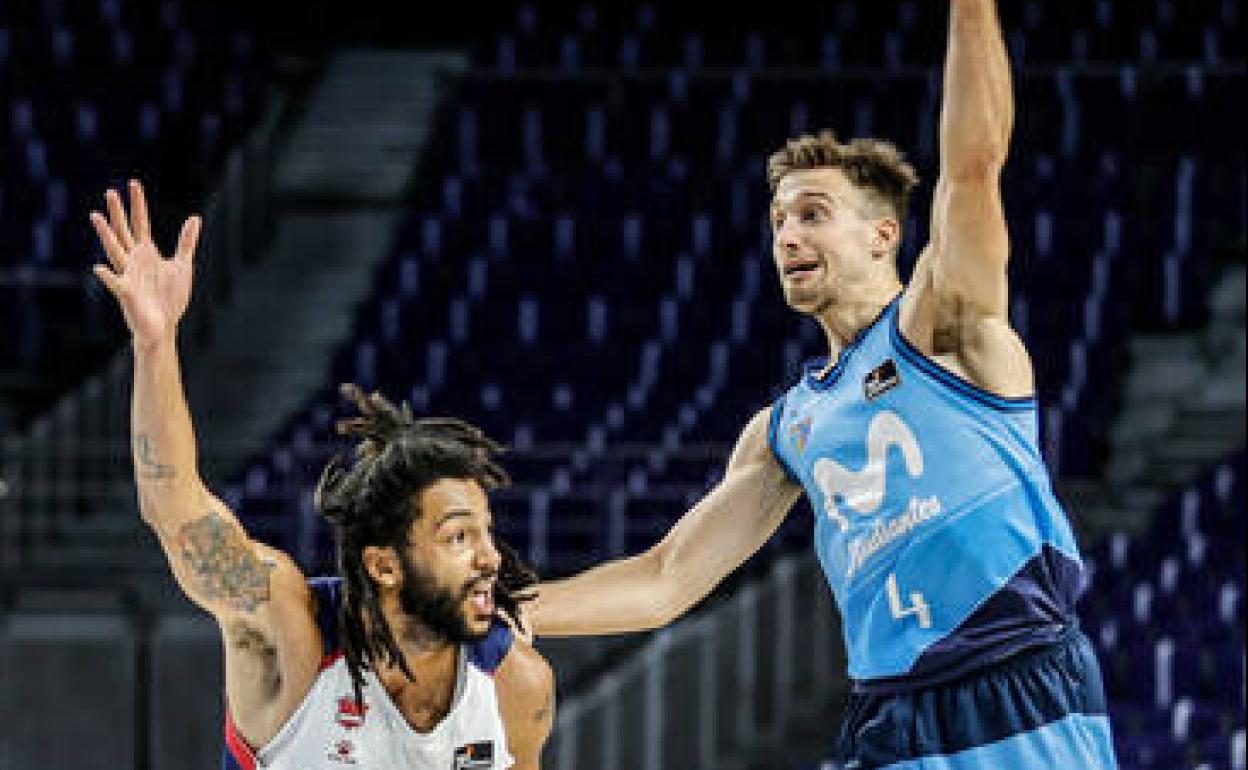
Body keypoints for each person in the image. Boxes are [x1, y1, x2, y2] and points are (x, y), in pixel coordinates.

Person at [529, 0, 1119, 767]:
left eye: (812, 213)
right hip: (887, 712)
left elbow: (974, 163)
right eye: (777, 221)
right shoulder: (785, 427)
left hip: (1014, 679)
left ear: (883, 236)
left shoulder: (946, 326)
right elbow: (665, 578)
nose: (787, 237)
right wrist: (501, 611)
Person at [89, 181, 555, 770]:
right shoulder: (296, 638)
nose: (491, 557)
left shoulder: (517, 688)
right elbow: (175, 512)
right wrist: (156, 347)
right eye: (459, 537)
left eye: (486, 533)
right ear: (385, 565)